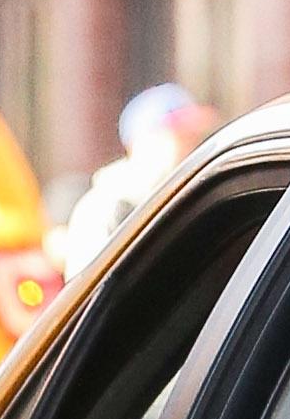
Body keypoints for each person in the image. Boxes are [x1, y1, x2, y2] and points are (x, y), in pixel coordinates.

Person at [60, 81, 222, 276]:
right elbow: (91, 296)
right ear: (143, 141)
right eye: (181, 138)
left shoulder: (188, 200)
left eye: (194, 138)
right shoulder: (103, 209)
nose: (191, 148)